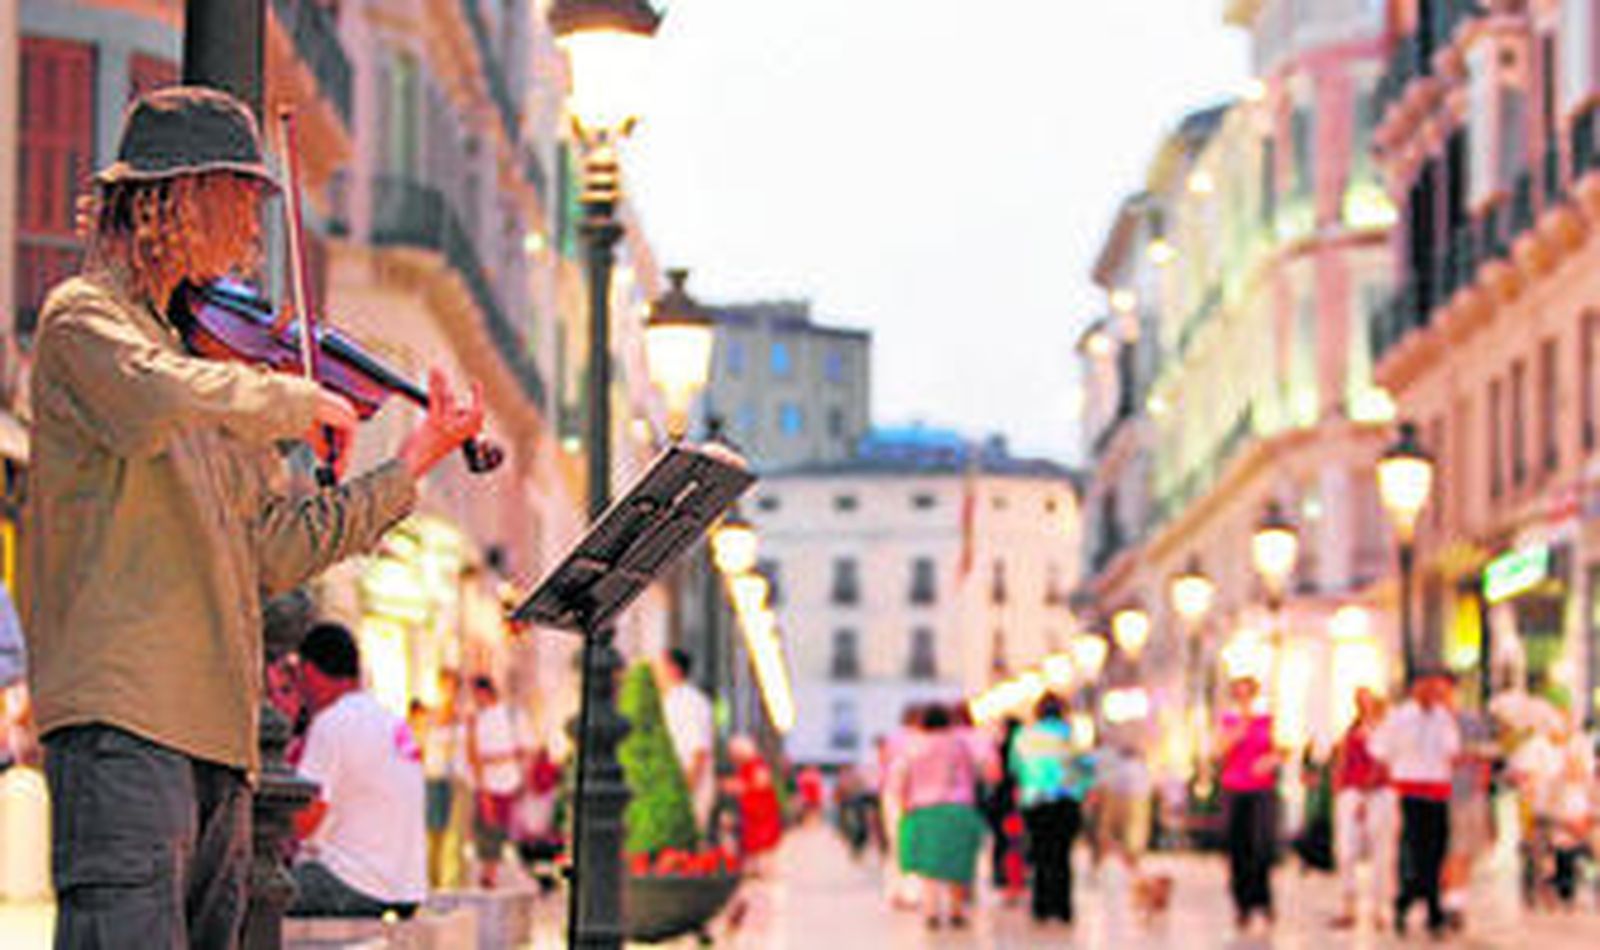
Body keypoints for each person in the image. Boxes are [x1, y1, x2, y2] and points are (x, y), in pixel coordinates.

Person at [24, 86, 482, 947]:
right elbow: (149, 402)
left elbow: (274, 552)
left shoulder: (215, 374)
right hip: (124, 727)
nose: (249, 236)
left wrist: (413, 460)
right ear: (177, 199)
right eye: (238, 204)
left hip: (220, 743)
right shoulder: (85, 323)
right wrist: (285, 398)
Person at [289, 623, 426, 918]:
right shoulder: (387, 718)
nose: (298, 691)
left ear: (310, 672)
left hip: (354, 883)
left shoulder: (332, 722)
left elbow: (304, 822)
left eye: (297, 678)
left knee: (251, 894)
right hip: (407, 886)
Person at [1370, 668, 1461, 937]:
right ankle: (1409, 900)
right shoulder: (1399, 717)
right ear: (1414, 689)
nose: (1432, 694)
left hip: (1438, 791)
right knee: (1412, 850)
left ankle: (1430, 905)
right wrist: (1397, 765)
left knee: (1436, 850)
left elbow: (1452, 750)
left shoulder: (1443, 717)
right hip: (1410, 790)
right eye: (1427, 688)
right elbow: (1379, 749)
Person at [887, 703, 987, 931]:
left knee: (930, 865)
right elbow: (981, 767)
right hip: (959, 808)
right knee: (958, 863)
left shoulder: (912, 746)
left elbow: (898, 777)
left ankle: (931, 909)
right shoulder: (960, 744)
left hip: (924, 809)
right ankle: (956, 909)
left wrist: (903, 803)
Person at [1009, 694, 1091, 926]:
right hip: (1066, 801)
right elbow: (1084, 768)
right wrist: (1081, 790)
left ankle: (1041, 907)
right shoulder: (1070, 736)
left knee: (1040, 854)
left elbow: (1015, 767)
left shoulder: (1023, 736)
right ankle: (1062, 908)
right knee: (1062, 855)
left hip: (1035, 802)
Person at [1217, 674, 1281, 936]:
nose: (1244, 699)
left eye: (1248, 693)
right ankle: (1241, 904)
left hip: (1261, 788)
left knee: (1261, 847)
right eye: (1239, 694)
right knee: (1238, 847)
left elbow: (1280, 749)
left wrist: (1271, 760)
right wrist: (1237, 731)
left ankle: (1263, 901)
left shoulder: (1267, 720)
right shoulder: (1228, 720)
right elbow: (1219, 750)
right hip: (1235, 787)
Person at [1328, 687, 1395, 930]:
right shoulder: (1351, 729)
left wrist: (1365, 796)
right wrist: (1340, 786)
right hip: (1351, 792)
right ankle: (1348, 905)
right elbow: (1343, 760)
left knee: (1381, 852)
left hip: (1377, 793)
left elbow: (1382, 763)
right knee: (1346, 851)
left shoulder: (1385, 730)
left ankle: (1380, 908)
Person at [465, 675, 524, 888]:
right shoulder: (476, 719)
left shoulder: (510, 715)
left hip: (503, 782)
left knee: (496, 827)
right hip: (481, 782)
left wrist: (492, 758)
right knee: (482, 827)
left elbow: (522, 749)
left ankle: (491, 873)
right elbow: (472, 754)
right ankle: (486, 870)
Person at [727, 735, 783, 874]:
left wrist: (740, 787)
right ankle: (756, 868)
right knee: (753, 841)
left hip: (760, 811)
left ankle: (762, 869)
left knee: (761, 842)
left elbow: (761, 783)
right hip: (752, 811)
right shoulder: (746, 766)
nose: (733, 758)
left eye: (734, 754)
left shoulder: (756, 764)